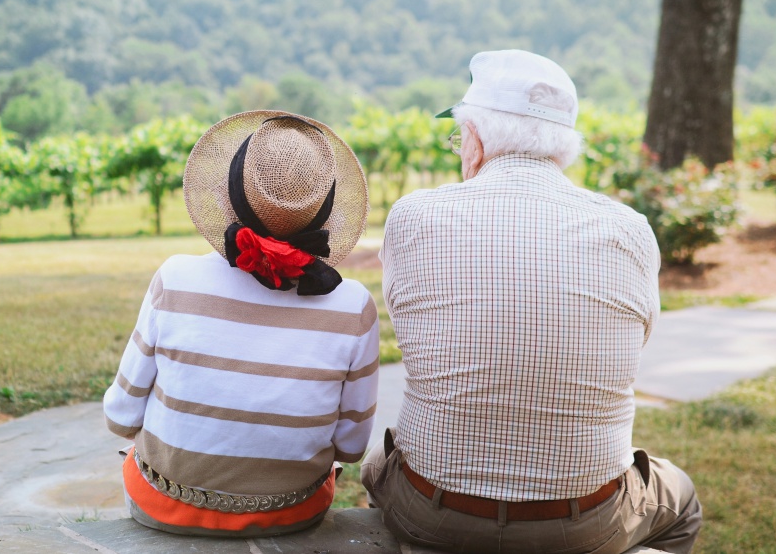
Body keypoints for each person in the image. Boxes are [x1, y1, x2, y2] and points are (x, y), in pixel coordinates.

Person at [361, 50, 702, 553]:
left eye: (459, 136)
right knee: (682, 501)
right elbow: (637, 338)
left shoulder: (414, 215)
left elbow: (412, 325)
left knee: (376, 465)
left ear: (474, 138)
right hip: (587, 521)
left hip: (433, 513)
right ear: (564, 146)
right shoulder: (630, 229)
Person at [104, 111, 380, 537]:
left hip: (164, 503)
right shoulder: (352, 305)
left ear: (229, 193)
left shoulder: (175, 278)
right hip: (292, 512)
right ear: (323, 210)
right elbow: (352, 447)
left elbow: (121, 416)